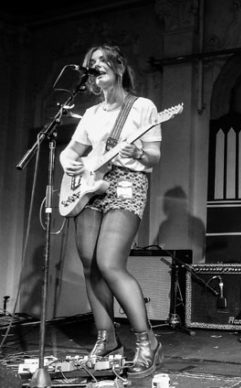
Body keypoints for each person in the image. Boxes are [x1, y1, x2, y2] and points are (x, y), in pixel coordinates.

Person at [59, 44, 162, 378]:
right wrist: (71, 164)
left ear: (119, 66)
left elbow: (153, 156)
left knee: (109, 262)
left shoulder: (142, 106)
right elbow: (70, 153)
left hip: (127, 183)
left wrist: (139, 152)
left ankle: (147, 342)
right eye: (92, 64)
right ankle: (106, 339)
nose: (96, 67)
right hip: (92, 186)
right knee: (90, 264)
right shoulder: (91, 114)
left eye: (103, 61)